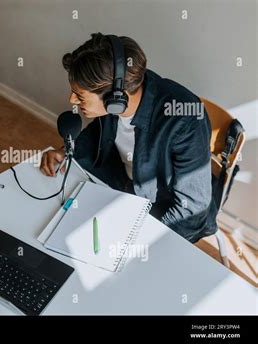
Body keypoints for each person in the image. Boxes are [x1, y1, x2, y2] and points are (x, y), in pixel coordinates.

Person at [40, 33, 217, 243]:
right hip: (120, 178)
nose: (72, 100)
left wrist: (138, 240)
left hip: (160, 205)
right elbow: (98, 132)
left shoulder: (185, 122)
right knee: (56, 214)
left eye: (79, 95)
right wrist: (67, 151)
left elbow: (192, 210)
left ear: (115, 97)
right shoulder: (120, 91)